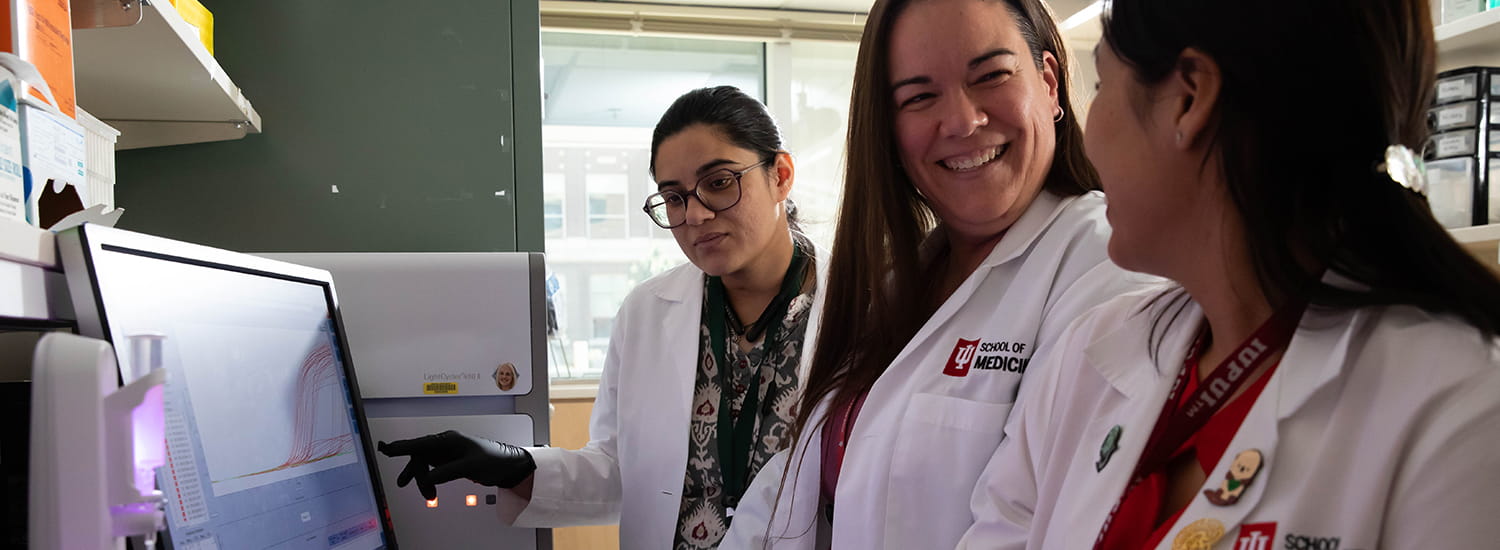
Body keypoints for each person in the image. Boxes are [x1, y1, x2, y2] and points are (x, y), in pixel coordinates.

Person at [959, 1, 1500, 548]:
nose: (1089, 131)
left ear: (1188, 99)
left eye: (1100, 85)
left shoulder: (1465, 410)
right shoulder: (1088, 356)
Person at [720, 0, 1152, 548]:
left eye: (992, 75)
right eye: (920, 97)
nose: (964, 121)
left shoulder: (1107, 265)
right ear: (890, 131)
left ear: (1048, 82)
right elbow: (802, 483)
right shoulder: (902, 281)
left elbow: (1041, 527)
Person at [379, 86, 822, 550]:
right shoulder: (646, 312)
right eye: (673, 197)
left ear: (781, 175)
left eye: (719, 182)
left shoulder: (865, 308)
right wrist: (515, 466)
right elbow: (618, 469)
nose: (695, 214)